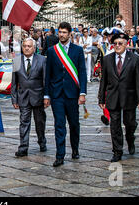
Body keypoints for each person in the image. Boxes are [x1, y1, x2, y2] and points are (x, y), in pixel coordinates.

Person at [44, 22, 87, 167]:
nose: (61, 35)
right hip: (57, 94)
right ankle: (60, 155)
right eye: (59, 32)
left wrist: (82, 93)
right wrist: (46, 95)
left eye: (64, 32)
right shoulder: (52, 51)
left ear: (70, 34)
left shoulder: (77, 50)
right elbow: (48, 74)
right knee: (59, 125)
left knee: (74, 124)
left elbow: (82, 72)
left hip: (72, 94)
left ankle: (75, 149)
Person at [98, 33, 139, 162]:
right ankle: (117, 151)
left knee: (129, 123)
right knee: (115, 125)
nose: (118, 46)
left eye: (120, 43)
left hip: (129, 96)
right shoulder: (107, 59)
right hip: (113, 96)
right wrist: (101, 98)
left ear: (126, 45)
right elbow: (104, 80)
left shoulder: (134, 59)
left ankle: (130, 139)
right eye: (116, 44)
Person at [12, 38, 47, 157]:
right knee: (24, 122)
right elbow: (14, 82)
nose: (26, 48)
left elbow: (45, 80)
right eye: (25, 46)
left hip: (38, 96)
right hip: (23, 97)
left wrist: (47, 97)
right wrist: (14, 99)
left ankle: (42, 141)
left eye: (29, 46)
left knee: (40, 123)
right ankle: (23, 147)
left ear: (34, 48)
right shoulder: (16, 61)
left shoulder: (42, 60)